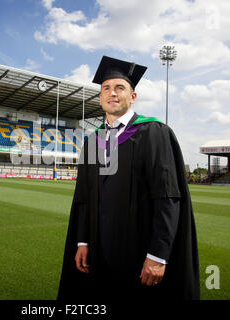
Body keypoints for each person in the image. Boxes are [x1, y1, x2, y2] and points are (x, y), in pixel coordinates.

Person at [57, 56, 200, 301]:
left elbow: (167, 197)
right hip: (99, 249)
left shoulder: (154, 133)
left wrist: (157, 255)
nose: (112, 93)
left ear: (132, 96)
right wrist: (82, 241)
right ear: (100, 97)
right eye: (106, 88)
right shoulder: (93, 141)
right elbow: (83, 197)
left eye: (120, 87)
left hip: (139, 249)